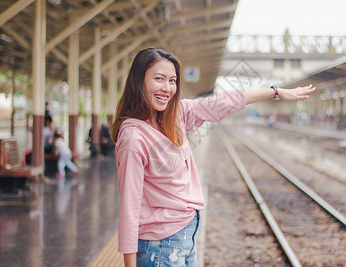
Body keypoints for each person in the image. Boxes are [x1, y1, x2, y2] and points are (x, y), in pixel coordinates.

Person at [110, 48, 315, 267]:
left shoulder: (174, 114)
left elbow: (220, 103)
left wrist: (274, 91)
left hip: (186, 234)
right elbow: (130, 210)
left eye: (172, 80)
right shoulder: (134, 137)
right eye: (158, 79)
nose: (167, 88)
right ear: (139, 81)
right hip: (159, 246)